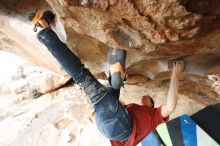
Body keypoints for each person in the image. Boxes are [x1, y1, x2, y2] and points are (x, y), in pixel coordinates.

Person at [28, 9, 184, 146]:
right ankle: (116, 76)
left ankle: (43, 31)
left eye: (148, 99)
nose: (144, 98)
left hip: (117, 123)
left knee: (80, 74)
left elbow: (170, 106)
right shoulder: (141, 119)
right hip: (109, 125)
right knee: (113, 92)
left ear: (151, 105)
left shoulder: (154, 118)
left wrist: (175, 75)